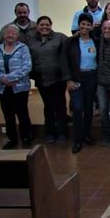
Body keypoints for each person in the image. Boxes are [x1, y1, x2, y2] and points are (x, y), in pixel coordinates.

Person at [0, 25, 33, 149]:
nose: (10, 35)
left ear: (17, 36)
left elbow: (27, 66)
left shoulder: (23, 48)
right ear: (3, 35)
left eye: (13, 33)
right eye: (7, 33)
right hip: (3, 88)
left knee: (22, 113)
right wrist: (2, 79)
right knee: (8, 115)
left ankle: (26, 137)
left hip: (20, 87)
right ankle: (12, 139)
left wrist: (9, 78)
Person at [27, 16, 68, 144]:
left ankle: (62, 133)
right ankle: (50, 133)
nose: (44, 27)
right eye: (42, 25)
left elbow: (70, 50)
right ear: (37, 26)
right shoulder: (31, 41)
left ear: (51, 25)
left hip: (58, 80)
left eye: (47, 25)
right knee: (48, 107)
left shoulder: (60, 38)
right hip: (41, 80)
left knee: (60, 107)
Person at [65, 13, 98, 154]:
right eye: (82, 24)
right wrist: (68, 80)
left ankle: (86, 135)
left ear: (91, 26)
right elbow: (64, 61)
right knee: (77, 108)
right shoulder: (71, 41)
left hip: (91, 77)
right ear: (79, 25)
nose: (85, 27)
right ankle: (77, 140)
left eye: (88, 24)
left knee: (89, 108)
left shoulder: (96, 40)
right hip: (76, 78)